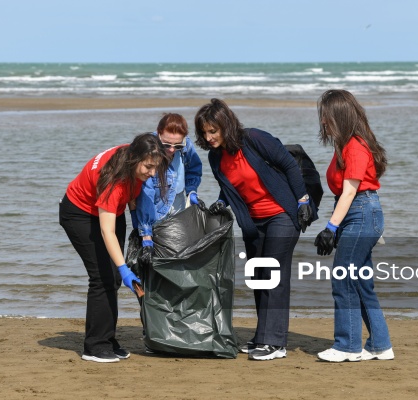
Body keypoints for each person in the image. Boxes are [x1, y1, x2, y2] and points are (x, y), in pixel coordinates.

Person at [194, 98, 317, 361]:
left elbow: (288, 165)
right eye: (205, 132)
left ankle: (275, 342)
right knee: (259, 276)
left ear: (225, 125)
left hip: (282, 215)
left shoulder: (254, 139)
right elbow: (229, 186)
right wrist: (220, 202)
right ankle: (263, 336)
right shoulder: (216, 157)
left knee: (274, 275)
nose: (209, 137)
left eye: (213, 131)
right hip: (253, 222)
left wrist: (303, 200)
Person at [59, 133, 169, 363]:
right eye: (148, 167)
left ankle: (106, 339)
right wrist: (124, 269)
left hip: (111, 210)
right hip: (79, 214)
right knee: (102, 276)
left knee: (112, 279)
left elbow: (132, 199)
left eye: (155, 168)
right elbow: (106, 231)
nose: (151, 173)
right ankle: (94, 346)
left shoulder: (137, 153)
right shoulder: (113, 180)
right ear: (134, 158)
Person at [313, 89, 394, 362]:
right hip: (356, 213)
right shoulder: (344, 146)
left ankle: (347, 346)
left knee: (343, 278)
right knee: (360, 281)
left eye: (325, 116)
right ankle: (380, 345)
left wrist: (330, 228)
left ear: (339, 115)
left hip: (361, 212)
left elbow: (350, 192)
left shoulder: (356, 146)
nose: (323, 121)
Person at [133, 113, 203, 267]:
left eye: (177, 145)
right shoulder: (148, 150)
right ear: (158, 134)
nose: (172, 150)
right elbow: (146, 195)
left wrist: (191, 192)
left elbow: (194, 169)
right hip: (153, 209)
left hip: (178, 205)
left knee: (177, 256)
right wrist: (147, 237)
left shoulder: (187, 146)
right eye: (166, 144)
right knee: (152, 260)